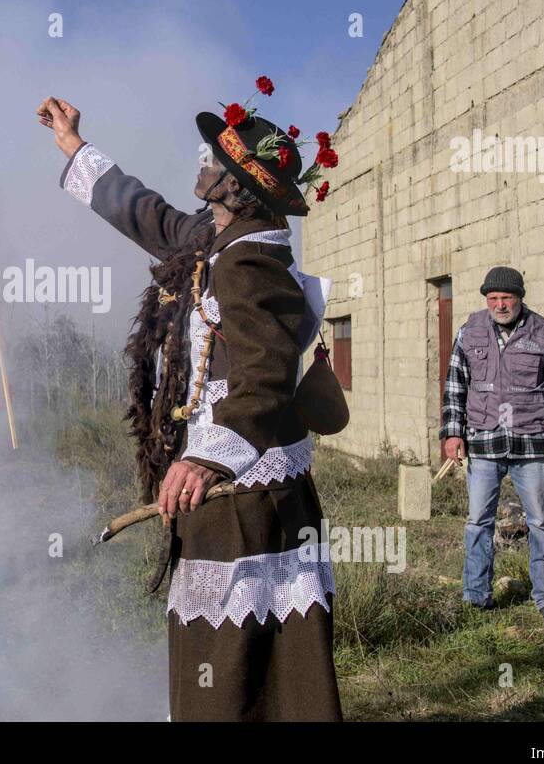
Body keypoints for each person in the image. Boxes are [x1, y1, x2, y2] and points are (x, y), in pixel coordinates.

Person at [37, 83, 342, 721]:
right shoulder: (215, 238)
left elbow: (264, 376)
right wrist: (73, 145)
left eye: (213, 159)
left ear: (234, 185)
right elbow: (150, 216)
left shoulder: (248, 262)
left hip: (245, 496)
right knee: (253, 663)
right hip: (243, 492)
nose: (200, 165)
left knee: (231, 668)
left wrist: (206, 460)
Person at [439, 266, 544, 620]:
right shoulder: (469, 331)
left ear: (520, 298)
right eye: (493, 299)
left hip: (532, 443)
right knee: (478, 522)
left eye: (507, 298)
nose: (500, 305)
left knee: (542, 522)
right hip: (485, 443)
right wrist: (452, 432)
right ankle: (476, 596)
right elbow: (455, 385)